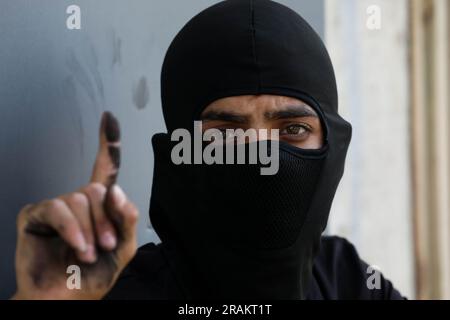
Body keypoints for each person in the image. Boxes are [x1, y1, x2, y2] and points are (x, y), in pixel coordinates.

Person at [12, 0, 404, 300]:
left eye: (294, 129)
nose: (264, 160)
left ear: (332, 146)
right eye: (225, 135)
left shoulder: (348, 280)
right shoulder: (123, 291)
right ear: (178, 157)